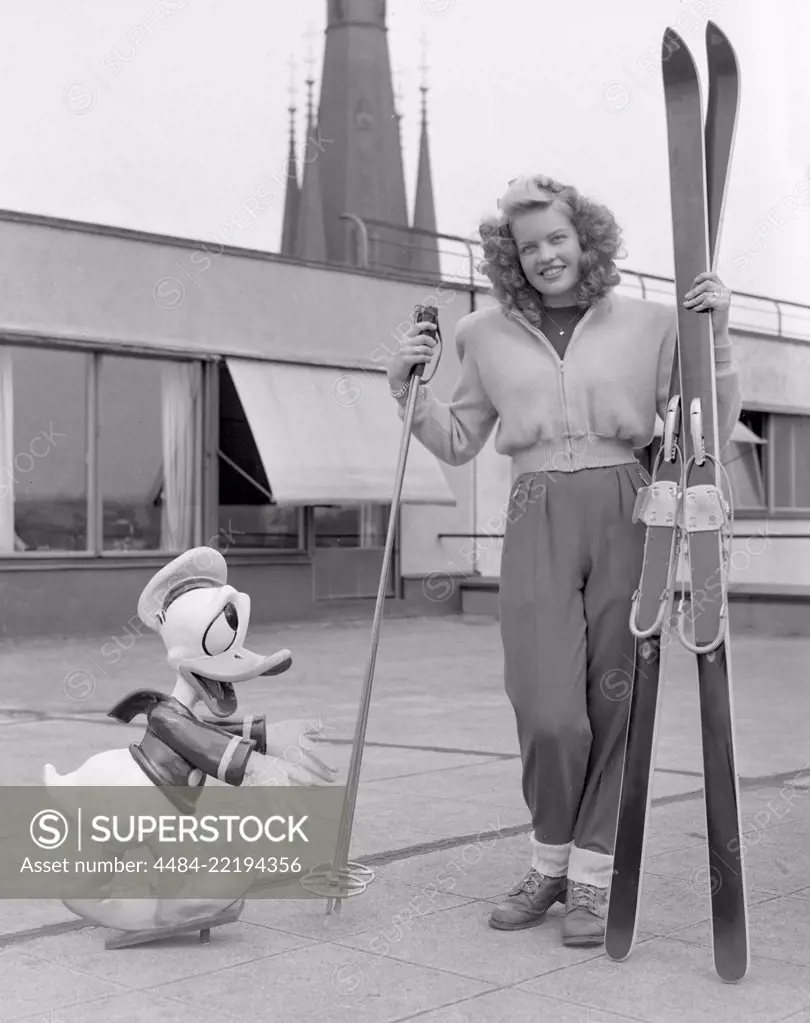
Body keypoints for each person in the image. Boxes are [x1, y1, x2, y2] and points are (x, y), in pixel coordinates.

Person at [386, 174, 741, 948]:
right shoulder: (482, 334)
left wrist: (714, 331)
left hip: (629, 503)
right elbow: (457, 438)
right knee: (548, 708)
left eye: (558, 238)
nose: (546, 254)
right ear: (511, 259)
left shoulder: (652, 322)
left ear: (587, 240)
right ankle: (548, 861)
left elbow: (706, 422)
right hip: (533, 506)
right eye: (528, 245)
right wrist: (406, 386)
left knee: (617, 698)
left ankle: (587, 876)